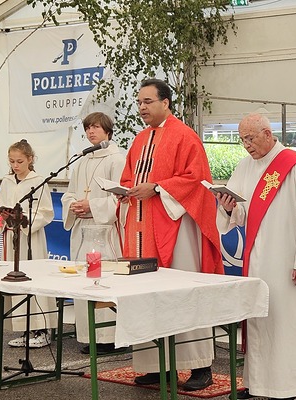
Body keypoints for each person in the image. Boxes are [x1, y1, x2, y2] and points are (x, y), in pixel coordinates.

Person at [119, 78, 223, 391]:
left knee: (183, 294)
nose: (142, 108)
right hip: (142, 227)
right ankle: (156, 365)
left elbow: (197, 180)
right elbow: (129, 176)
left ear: (166, 102)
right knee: (147, 295)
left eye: (148, 101)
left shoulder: (185, 136)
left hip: (178, 228)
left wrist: (159, 188)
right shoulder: (140, 140)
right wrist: (125, 191)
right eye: (139, 102)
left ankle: (199, 365)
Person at [214, 113, 296, 400]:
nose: (246, 145)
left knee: (285, 323)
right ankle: (258, 383)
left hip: (286, 258)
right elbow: (240, 214)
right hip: (257, 260)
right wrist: (227, 208)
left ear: (267, 133)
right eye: (241, 140)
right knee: (260, 321)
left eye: (250, 138)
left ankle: (288, 387)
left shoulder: (292, 166)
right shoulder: (244, 166)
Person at [61, 112, 126, 355]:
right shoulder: (82, 161)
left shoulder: (116, 160)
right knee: (84, 281)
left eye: (96, 127)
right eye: (88, 128)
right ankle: (90, 335)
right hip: (82, 230)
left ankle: (110, 337)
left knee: (103, 281)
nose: (90, 132)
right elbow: (69, 193)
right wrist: (73, 205)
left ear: (107, 130)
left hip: (104, 231)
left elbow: (120, 197)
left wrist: (93, 206)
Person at [0, 139, 56, 348]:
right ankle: (25, 328)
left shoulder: (38, 181)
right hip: (12, 235)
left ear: (30, 159)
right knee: (15, 280)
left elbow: (47, 211)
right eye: (12, 161)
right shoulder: (7, 180)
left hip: (30, 237)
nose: (15, 165)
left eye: (19, 161)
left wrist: (26, 222)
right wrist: (2, 216)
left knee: (34, 277)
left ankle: (42, 328)